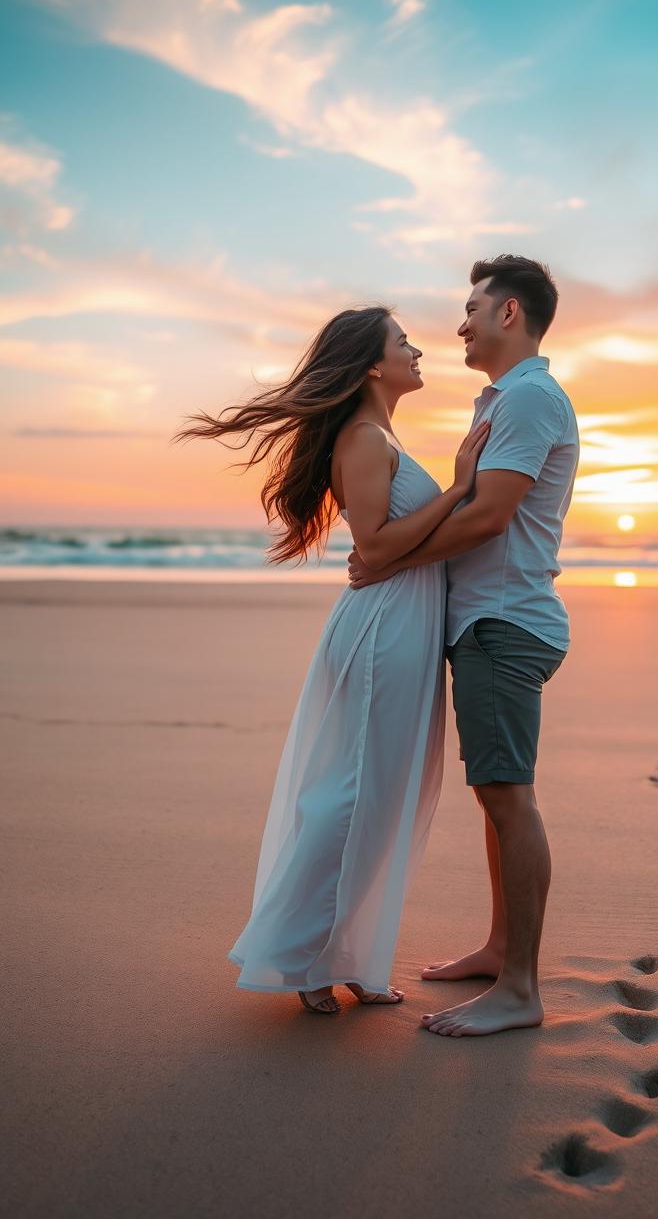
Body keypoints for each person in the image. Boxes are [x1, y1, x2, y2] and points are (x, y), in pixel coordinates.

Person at [175, 307, 489, 1014]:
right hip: (383, 630)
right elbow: (375, 548)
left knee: (377, 795)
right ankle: (298, 957)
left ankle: (344, 954)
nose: (416, 350)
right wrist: (463, 490)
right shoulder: (365, 437)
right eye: (402, 342)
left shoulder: (378, 435)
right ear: (374, 365)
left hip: (402, 622)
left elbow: (382, 547)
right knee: (349, 795)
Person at [348, 256, 580, 1036]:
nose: (461, 322)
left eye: (473, 307)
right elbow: (476, 508)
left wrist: (386, 558)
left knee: (509, 796)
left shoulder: (528, 397)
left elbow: (488, 518)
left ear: (509, 314)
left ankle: (520, 989)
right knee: (496, 793)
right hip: (489, 622)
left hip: (504, 623)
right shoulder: (508, 398)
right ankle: (499, 948)